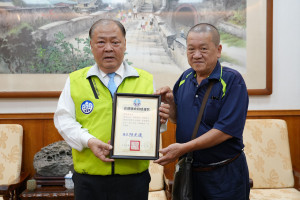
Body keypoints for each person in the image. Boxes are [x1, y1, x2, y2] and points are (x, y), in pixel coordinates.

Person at [54, 19, 169, 200]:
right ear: (91, 45)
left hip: (133, 179)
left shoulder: (145, 79)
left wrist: (161, 120)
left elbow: (156, 127)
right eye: (101, 42)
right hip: (89, 180)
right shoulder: (76, 80)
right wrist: (88, 140)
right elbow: (64, 120)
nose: (108, 48)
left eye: (115, 42)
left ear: (124, 45)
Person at [154, 23, 250, 199]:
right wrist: (171, 104)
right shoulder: (185, 78)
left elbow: (224, 131)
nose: (196, 55)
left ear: (218, 50)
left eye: (203, 49)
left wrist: (183, 149)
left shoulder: (232, 80)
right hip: (191, 173)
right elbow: (177, 119)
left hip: (224, 175)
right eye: (191, 49)